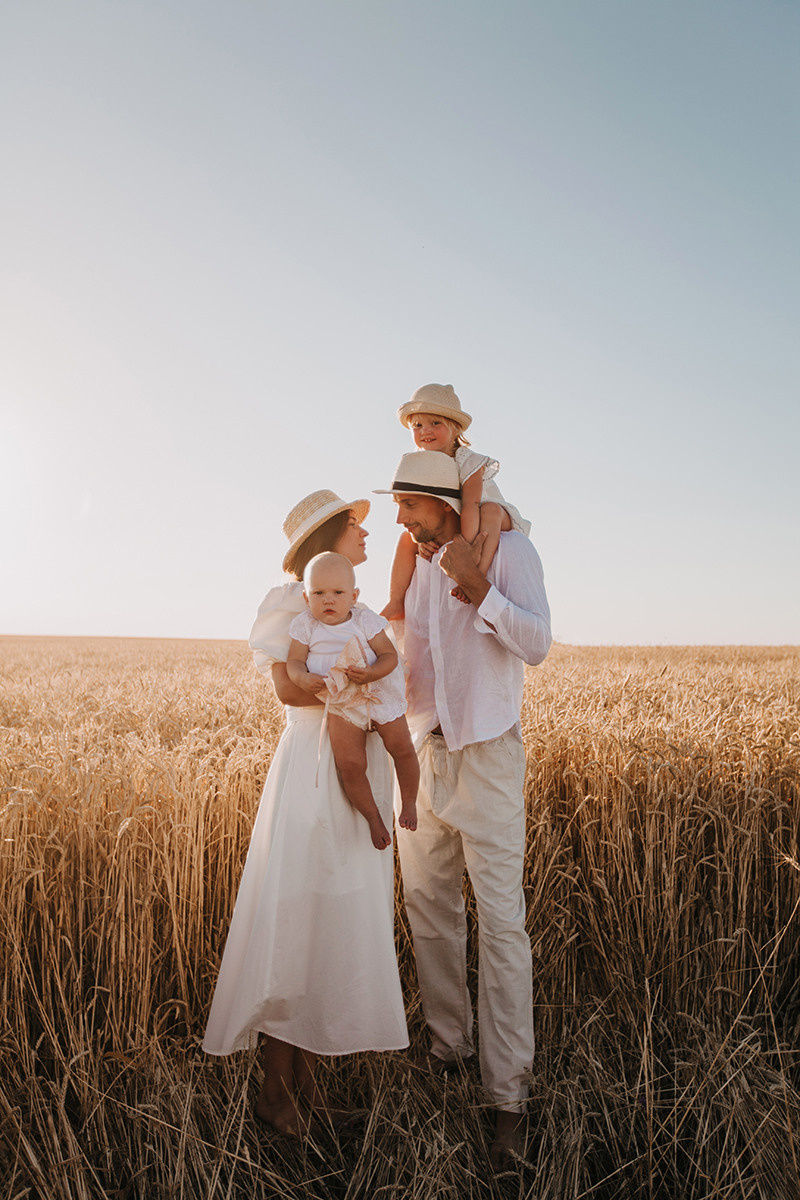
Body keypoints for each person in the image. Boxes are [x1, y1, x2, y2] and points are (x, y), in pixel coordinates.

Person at [202, 490, 409, 1137]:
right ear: (326, 538)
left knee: (333, 923)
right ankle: (274, 1095)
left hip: (352, 780)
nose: (367, 537)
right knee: (295, 923)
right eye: (356, 527)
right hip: (311, 778)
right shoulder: (292, 604)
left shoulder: (351, 607)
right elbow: (289, 686)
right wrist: (347, 681)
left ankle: (308, 1096)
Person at [374, 450, 551, 1171]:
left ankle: (507, 1099)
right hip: (423, 758)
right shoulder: (411, 568)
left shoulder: (509, 549)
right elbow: (405, 661)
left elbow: (536, 643)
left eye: (408, 506)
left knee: (502, 925)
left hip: (488, 759)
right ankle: (449, 1050)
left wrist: (481, 591)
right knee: (429, 911)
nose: (398, 518)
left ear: (445, 502)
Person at [286, 550, 418, 849]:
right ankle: (372, 817)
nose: (328, 600)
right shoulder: (306, 625)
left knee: (402, 748)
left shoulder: (364, 620)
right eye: (318, 593)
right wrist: (302, 678)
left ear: (354, 595)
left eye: (338, 592)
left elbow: (389, 656)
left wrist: (371, 673)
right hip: (342, 703)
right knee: (349, 765)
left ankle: (408, 802)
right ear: (307, 598)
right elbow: (294, 662)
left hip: (376, 692)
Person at [383, 383, 531, 619]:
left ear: (455, 429)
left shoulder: (468, 461)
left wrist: (467, 548)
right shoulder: (420, 465)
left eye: (435, 423)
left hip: (485, 513)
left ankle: (476, 576)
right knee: (405, 539)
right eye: (417, 425)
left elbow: (471, 505)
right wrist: (420, 540)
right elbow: (423, 513)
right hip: (456, 517)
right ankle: (396, 601)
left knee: (490, 511)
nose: (425, 431)